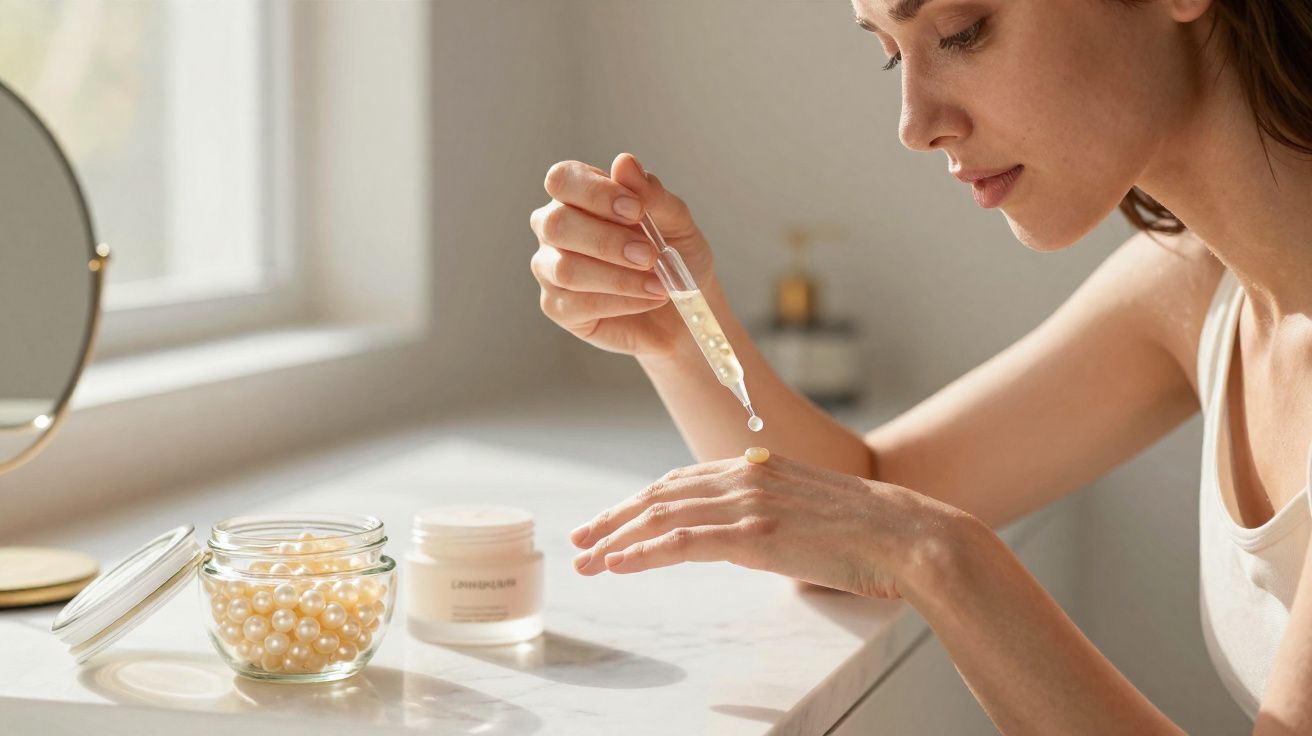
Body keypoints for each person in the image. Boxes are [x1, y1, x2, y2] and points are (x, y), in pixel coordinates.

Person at [526, 1, 1312, 731]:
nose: (912, 124)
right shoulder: (1205, 289)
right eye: (888, 54)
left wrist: (938, 556)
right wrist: (677, 330)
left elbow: (891, 517)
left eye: (963, 29)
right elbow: (860, 491)